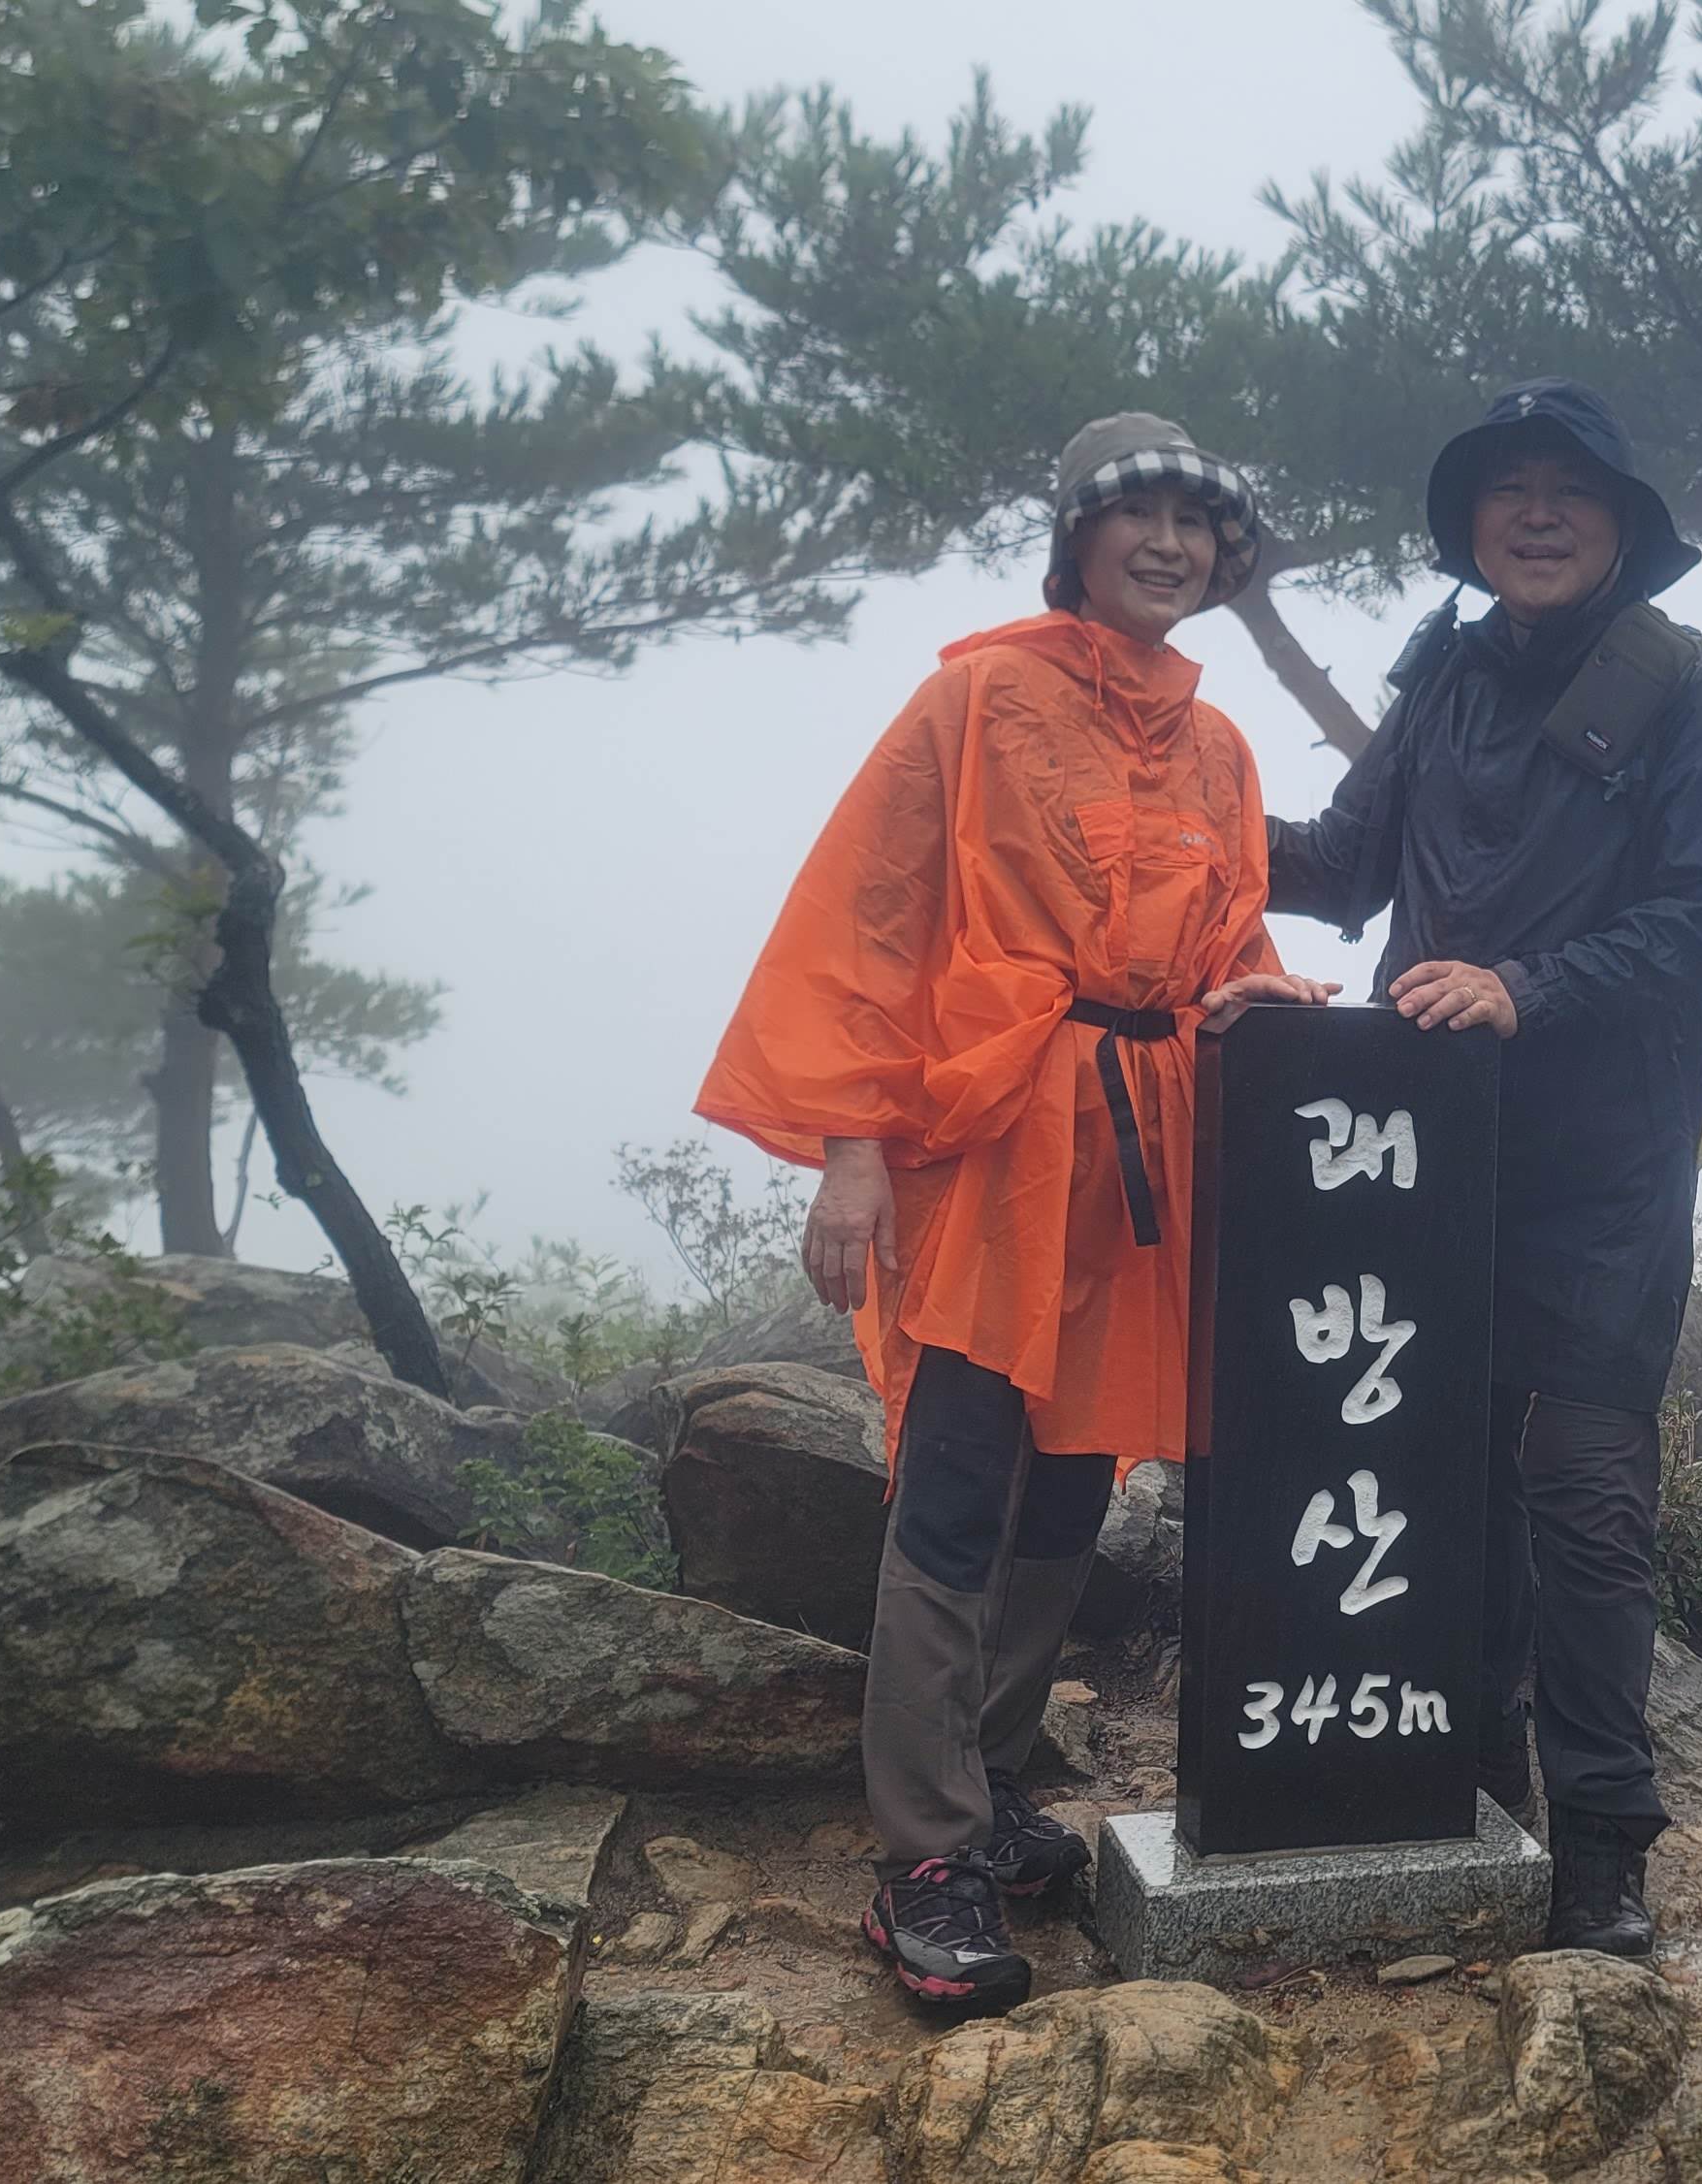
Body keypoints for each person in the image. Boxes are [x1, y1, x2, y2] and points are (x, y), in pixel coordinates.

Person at [696, 414, 1333, 2012]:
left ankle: (984, 1791)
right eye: (1139, 515)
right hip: (987, 1152)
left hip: (1136, 1163)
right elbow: (867, 922)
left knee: (1068, 1493)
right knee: (962, 1485)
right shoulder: (973, 700)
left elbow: (1229, 939)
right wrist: (850, 1152)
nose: (1170, 544)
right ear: (1079, 539)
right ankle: (922, 1858)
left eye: (1197, 521)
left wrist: (1261, 999)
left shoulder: (1220, 746)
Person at [1268, 378, 1702, 1957]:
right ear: (1472, 526)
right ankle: (1467, 1781)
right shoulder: (1444, 677)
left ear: (1623, 525)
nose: (1538, 513)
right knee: (1442, 1469)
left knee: (1585, 1491)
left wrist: (1525, 986)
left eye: (1571, 488)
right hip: (1420, 1147)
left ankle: (1604, 1848)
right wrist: (1167, 824)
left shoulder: (1686, 693)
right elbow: (1343, 868)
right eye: (1509, 489)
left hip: (1605, 1153)